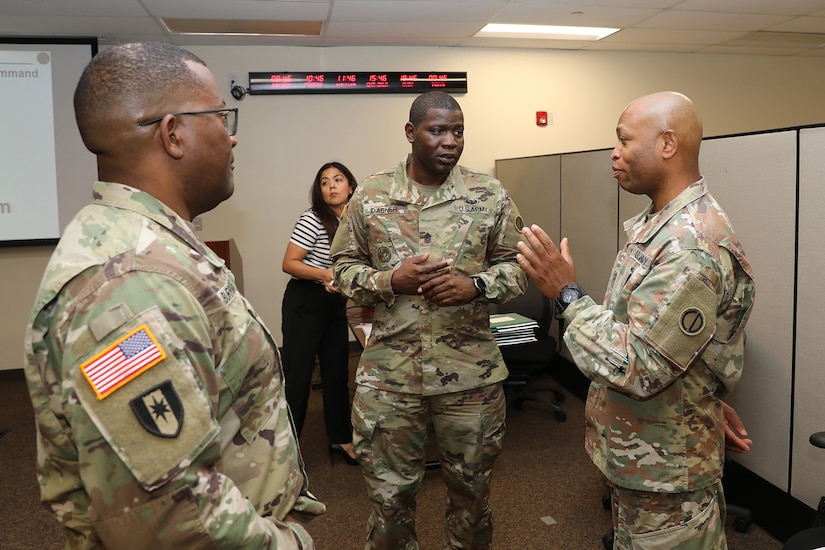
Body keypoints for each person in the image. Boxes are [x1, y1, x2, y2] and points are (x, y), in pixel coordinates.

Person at [23, 42, 324, 548]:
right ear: (174, 134)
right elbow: (172, 518)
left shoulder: (153, 248)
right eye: (219, 117)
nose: (232, 137)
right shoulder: (134, 285)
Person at [516, 91, 755, 549]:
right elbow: (661, 340)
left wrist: (567, 294)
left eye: (624, 140)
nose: (614, 152)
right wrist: (699, 393)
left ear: (667, 144)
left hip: (667, 475)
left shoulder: (690, 245)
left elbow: (638, 365)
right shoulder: (660, 224)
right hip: (648, 453)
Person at [330, 90, 527, 549]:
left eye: (458, 131)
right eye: (437, 130)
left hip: (469, 378)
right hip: (390, 379)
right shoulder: (372, 194)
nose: (450, 141)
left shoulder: (488, 192)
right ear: (411, 133)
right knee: (390, 501)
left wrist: (475, 286)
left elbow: (519, 266)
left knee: (472, 497)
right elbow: (341, 269)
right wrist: (388, 282)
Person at [281, 161, 358, 465]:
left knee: (337, 373)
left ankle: (341, 439)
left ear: (350, 186)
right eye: (324, 183)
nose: (332, 187)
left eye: (338, 180)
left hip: (334, 302)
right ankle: (286, 451)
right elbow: (290, 263)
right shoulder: (312, 219)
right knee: (298, 378)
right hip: (305, 301)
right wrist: (324, 274)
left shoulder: (355, 220)